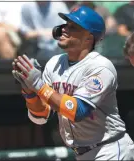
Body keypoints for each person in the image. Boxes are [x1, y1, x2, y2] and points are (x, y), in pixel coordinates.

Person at [12, 6, 134, 160]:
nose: (64, 30)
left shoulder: (100, 66)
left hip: (110, 149)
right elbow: (41, 115)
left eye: (73, 27)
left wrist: (38, 85)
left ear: (89, 38)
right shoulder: (54, 64)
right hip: (81, 153)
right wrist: (29, 91)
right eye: (65, 25)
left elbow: (78, 111)